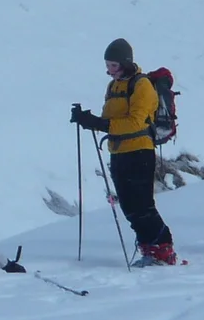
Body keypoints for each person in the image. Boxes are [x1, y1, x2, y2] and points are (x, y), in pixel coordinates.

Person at [72, 37, 177, 266]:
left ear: (126, 62)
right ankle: (149, 249)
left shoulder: (141, 85)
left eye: (113, 65)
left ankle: (163, 249)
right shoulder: (114, 86)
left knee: (142, 204)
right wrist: (87, 120)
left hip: (140, 151)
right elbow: (111, 119)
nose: (109, 71)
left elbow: (136, 122)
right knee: (129, 205)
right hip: (119, 151)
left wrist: (100, 125)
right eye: (108, 65)